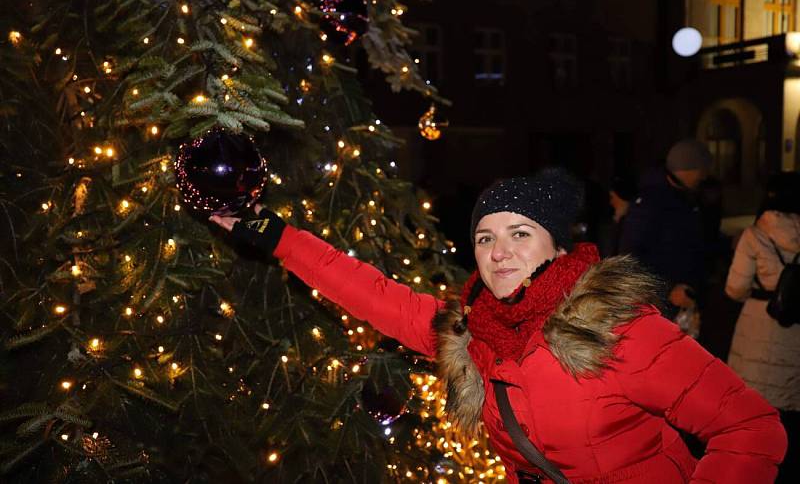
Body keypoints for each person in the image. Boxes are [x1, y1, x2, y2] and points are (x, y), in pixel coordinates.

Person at [211, 168, 786, 484]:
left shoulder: (621, 330)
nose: (500, 252)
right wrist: (281, 240)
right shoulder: (473, 331)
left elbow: (752, 428)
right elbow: (375, 295)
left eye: (520, 234)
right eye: (486, 237)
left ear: (558, 246)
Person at [725, 172, 800, 484]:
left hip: (759, 326)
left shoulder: (755, 235)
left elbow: (734, 288)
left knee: (757, 409)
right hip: (795, 326)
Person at [618, 139, 712, 336]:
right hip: (659, 306)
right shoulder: (650, 203)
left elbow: (692, 247)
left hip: (680, 303)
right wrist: (668, 290)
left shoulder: (686, 199)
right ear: (689, 169)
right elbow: (630, 258)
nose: (704, 176)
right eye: (702, 170)